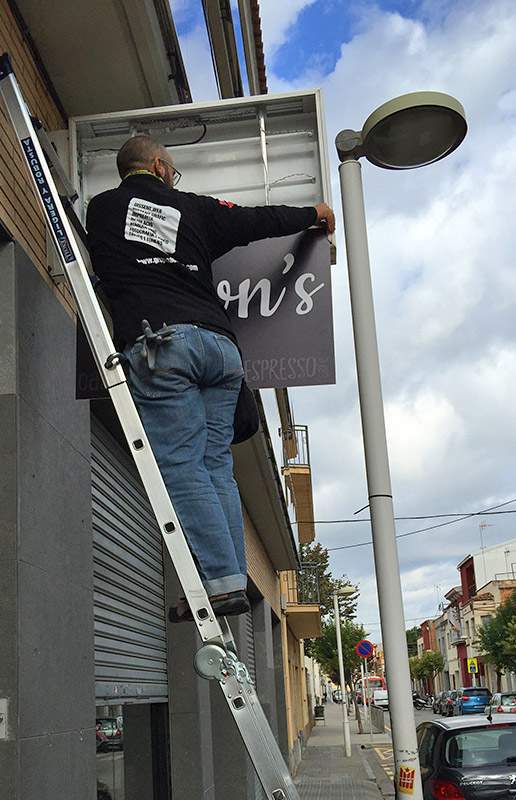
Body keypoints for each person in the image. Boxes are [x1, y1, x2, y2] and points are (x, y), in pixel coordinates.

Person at [86, 135, 335, 622]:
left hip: (163, 344)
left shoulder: (103, 209)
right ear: (160, 166)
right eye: (171, 171)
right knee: (215, 465)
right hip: (221, 350)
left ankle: (220, 583)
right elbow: (256, 221)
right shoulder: (195, 209)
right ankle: (229, 581)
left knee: (181, 465)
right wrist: (313, 213)